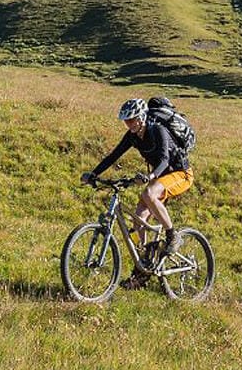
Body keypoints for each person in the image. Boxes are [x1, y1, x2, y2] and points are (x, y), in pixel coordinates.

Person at [82, 98, 194, 288]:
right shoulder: (132, 136)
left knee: (149, 193)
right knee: (138, 220)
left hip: (180, 174)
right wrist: (94, 174)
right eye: (126, 121)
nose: (129, 123)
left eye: (132, 119)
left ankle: (172, 235)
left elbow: (165, 160)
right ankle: (143, 267)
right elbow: (113, 155)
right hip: (159, 178)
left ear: (141, 117)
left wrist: (150, 175)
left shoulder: (157, 130)